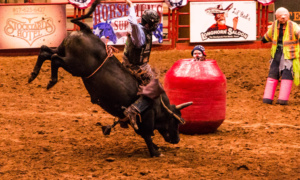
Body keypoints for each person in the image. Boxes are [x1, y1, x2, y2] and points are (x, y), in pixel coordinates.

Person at [121, 0, 164, 129]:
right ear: (148, 23)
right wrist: (131, 6)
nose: (156, 25)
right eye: (154, 23)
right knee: (155, 89)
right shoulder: (139, 33)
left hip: (132, 62)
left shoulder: (141, 31)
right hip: (136, 66)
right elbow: (133, 23)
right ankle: (134, 109)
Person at [262, 7, 300, 105]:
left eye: (285, 16)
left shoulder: (294, 26)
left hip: (289, 55)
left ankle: (282, 99)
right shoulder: (274, 25)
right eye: (280, 16)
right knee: (272, 74)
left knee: (287, 74)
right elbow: (268, 36)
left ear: (288, 16)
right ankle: (267, 97)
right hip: (276, 54)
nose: (283, 18)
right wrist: (264, 39)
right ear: (277, 17)